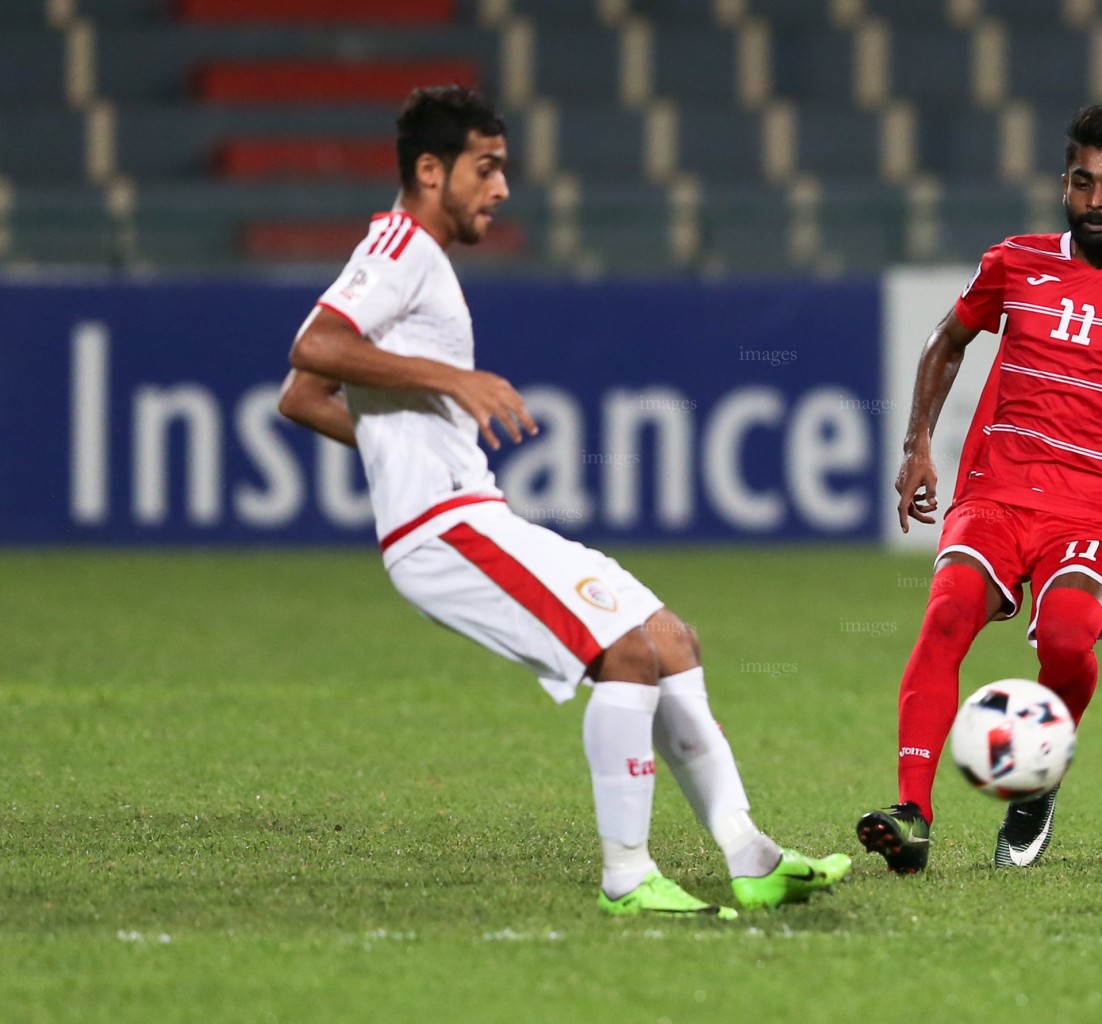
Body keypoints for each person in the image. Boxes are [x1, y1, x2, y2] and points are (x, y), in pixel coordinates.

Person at [277, 85, 850, 918]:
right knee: (625, 655)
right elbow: (314, 350)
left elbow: (300, 397)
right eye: (488, 167)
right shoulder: (401, 247)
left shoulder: (414, 256)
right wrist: (453, 382)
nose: (502, 187)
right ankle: (627, 874)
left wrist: (402, 449)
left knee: (667, 639)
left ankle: (749, 853)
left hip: (465, 513)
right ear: (431, 171)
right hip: (444, 529)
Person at [856, 105, 1102, 873]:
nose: (1097, 200)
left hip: (1096, 511)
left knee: (1069, 639)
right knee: (945, 616)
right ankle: (912, 813)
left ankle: (1036, 786)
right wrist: (917, 446)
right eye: (1084, 183)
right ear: (1064, 185)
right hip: (996, 492)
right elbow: (947, 342)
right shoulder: (1014, 262)